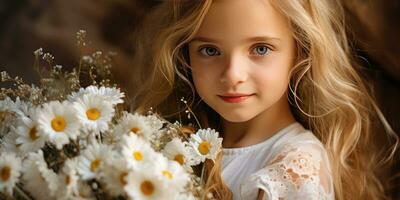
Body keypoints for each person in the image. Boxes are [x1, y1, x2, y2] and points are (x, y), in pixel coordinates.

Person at [130, 0, 399, 199]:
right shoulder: (180, 143)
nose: (233, 75)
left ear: (300, 52)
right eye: (210, 50)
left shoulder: (292, 169)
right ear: (184, 56)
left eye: (260, 49)